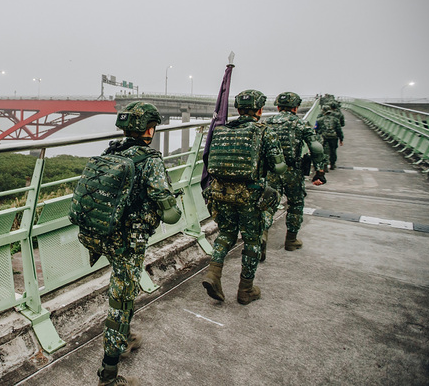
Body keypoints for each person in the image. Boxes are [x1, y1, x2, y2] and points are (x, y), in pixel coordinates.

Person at [78, 102, 180, 386]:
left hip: (101, 236)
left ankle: (124, 339)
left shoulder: (111, 152)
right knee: (120, 303)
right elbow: (170, 215)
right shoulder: (150, 160)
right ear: (150, 129)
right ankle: (108, 376)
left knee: (125, 290)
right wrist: (172, 205)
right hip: (127, 242)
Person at [201, 90, 286, 305]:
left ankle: (213, 273)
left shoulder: (222, 131)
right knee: (252, 240)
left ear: (238, 109)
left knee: (226, 233)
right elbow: (278, 167)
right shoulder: (265, 132)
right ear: (259, 110)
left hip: (220, 193)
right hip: (249, 196)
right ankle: (246, 289)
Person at [262, 92, 326, 255]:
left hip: (271, 171)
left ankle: (261, 238)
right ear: (296, 108)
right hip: (292, 171)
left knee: (267, 205)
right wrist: (319, 171)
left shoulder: (268, 123)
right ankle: (291, 240)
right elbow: (316, 147)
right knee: (296, 204)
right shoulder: (301, 124)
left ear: (277, 107)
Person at [316, 104, 344, 170]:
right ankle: (332, 164)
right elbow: (339, 130)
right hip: (333, 137)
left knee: (323, 151)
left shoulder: (319, 120)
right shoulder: (335, 119)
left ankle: (324, 164)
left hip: (323, 136)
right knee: (333, 150)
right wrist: (341, 139)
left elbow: (316, 130)